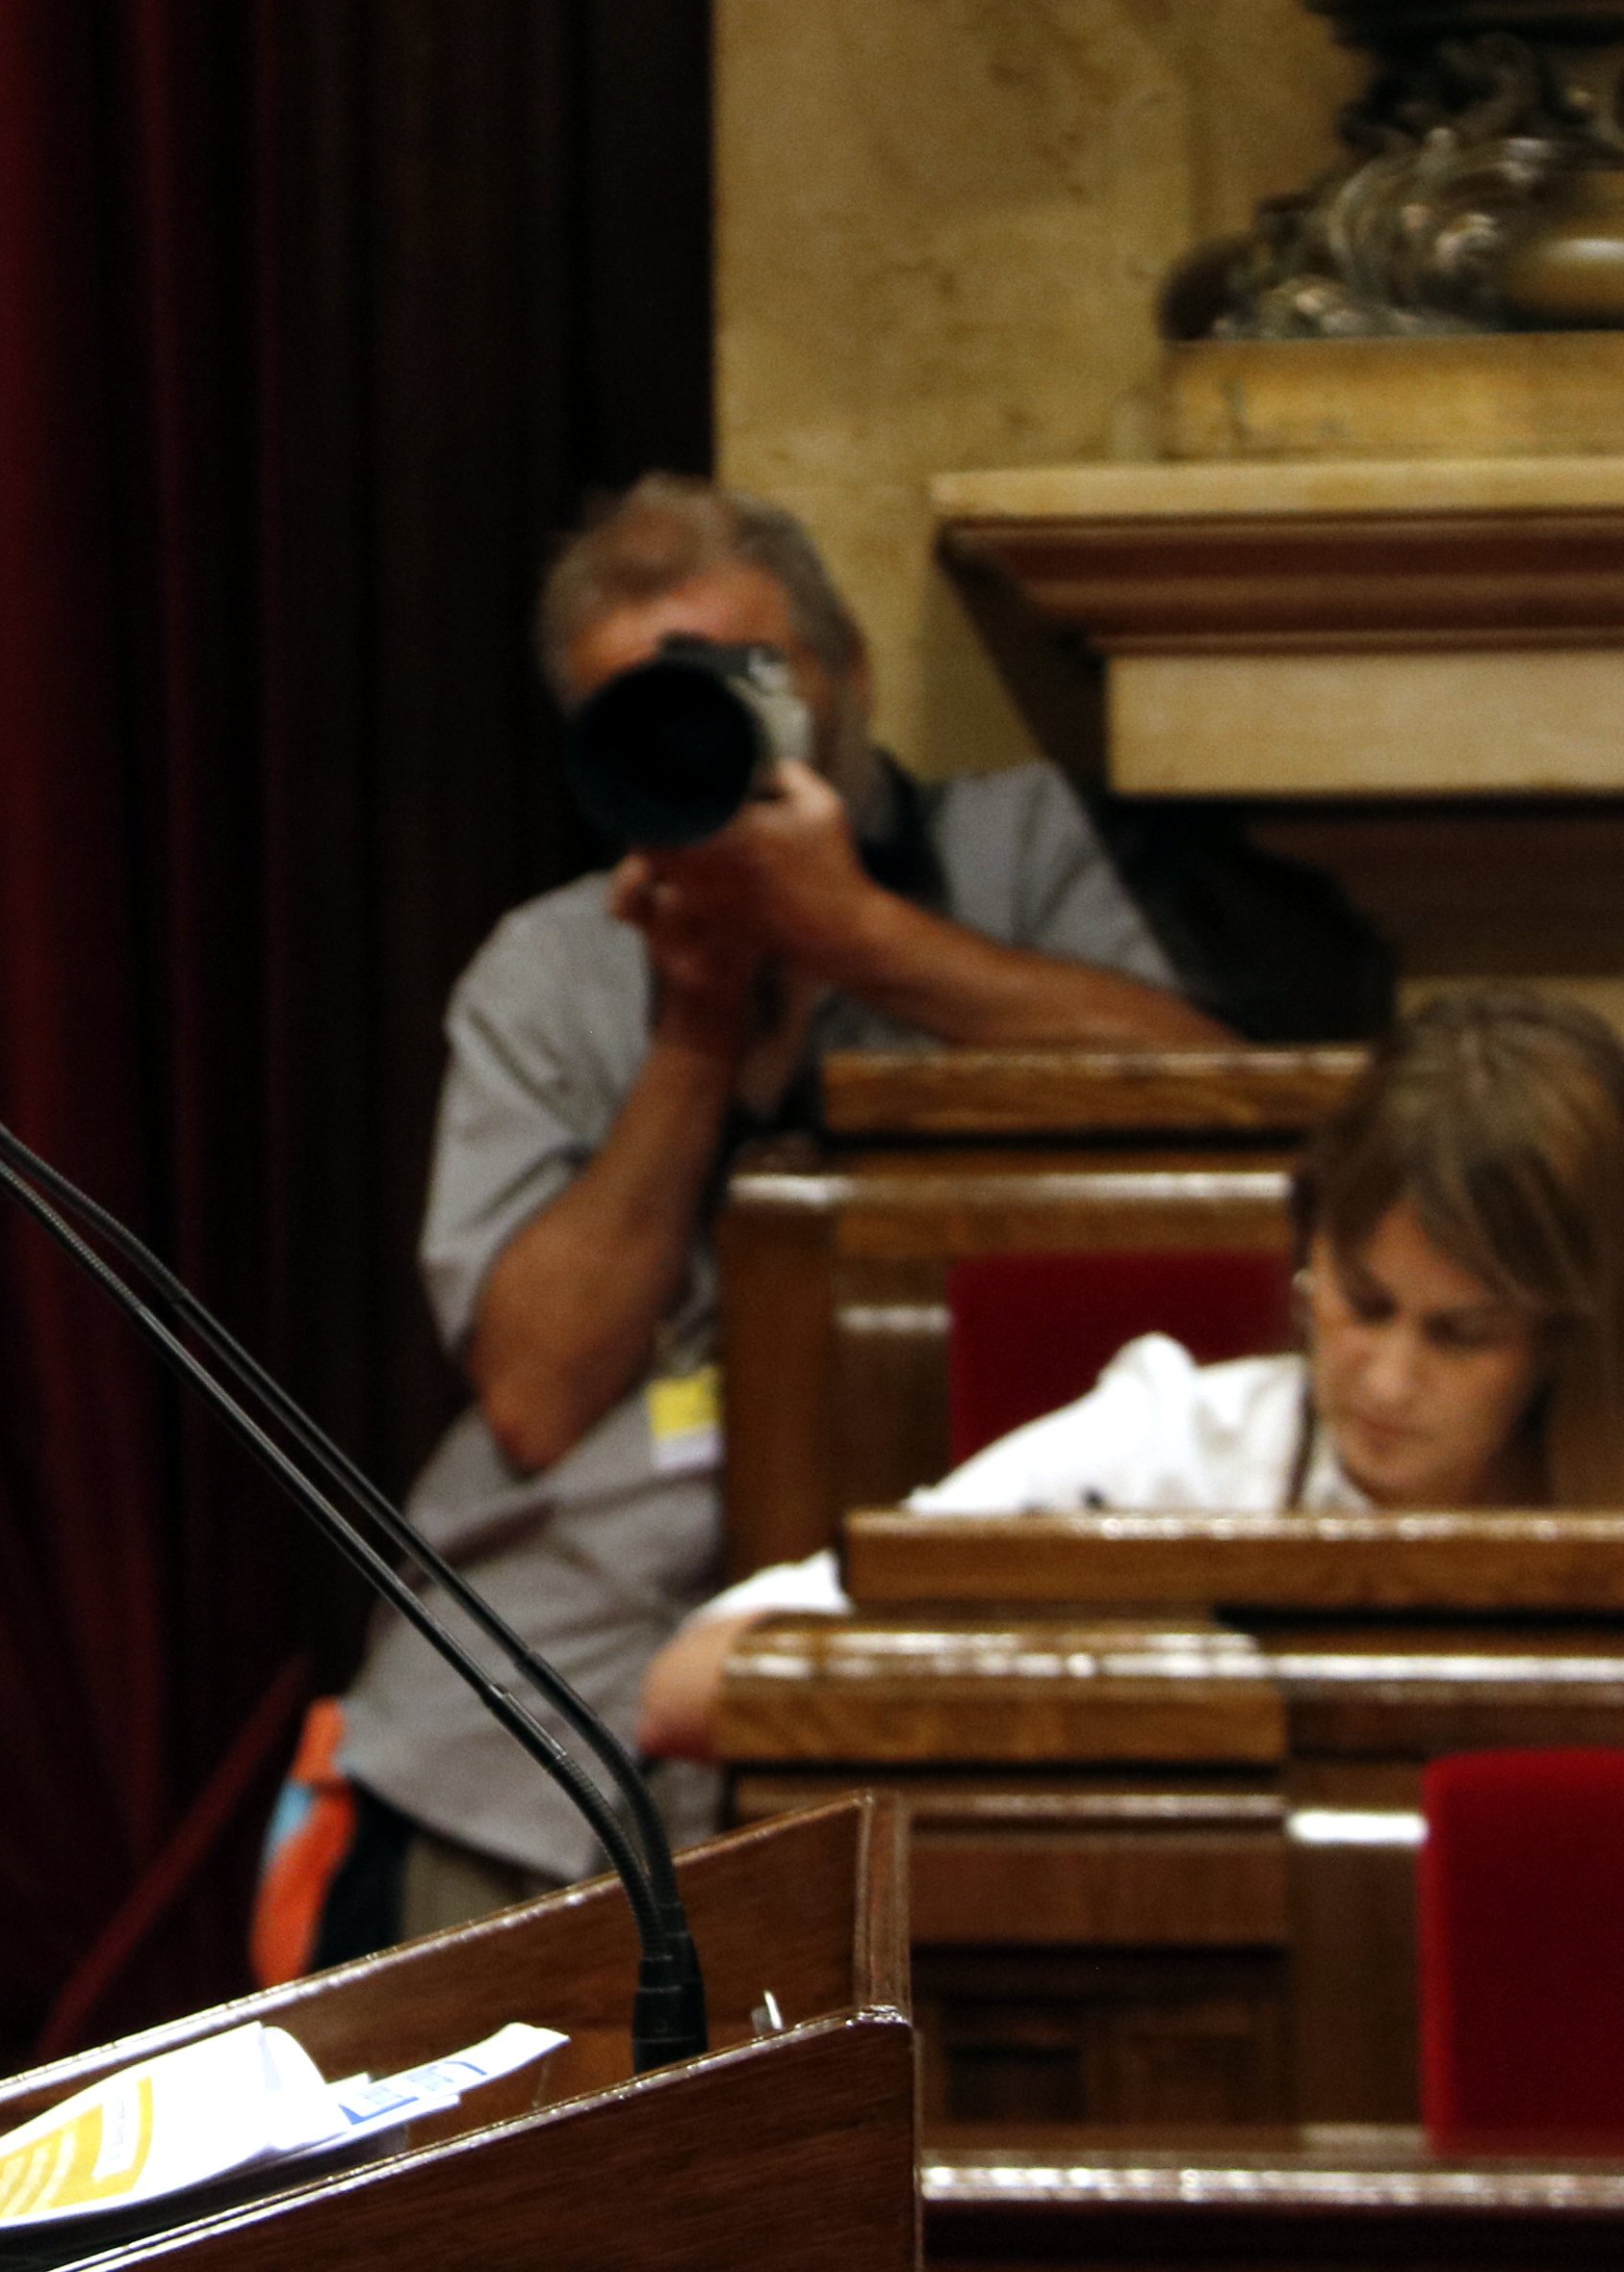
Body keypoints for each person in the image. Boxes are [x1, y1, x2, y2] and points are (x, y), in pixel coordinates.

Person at [310, 478, 1227, 1962]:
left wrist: (860, 935)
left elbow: (1240, 1126)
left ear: (846, 673)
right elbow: (537, 1396)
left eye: (733, 681)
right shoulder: (545, 973)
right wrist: (693, 1026)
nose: (702, 730)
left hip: (957, 1694)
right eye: (643, 707)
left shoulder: (1014, 855)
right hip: (554, 1742)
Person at [639, 987, 1624, 1754]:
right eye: (1363, 1303)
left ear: (1567, 1338)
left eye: (1463, 1335)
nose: (1389, 1380)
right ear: (1308, 1244)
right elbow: (692, 1685)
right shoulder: (1172, 1448)